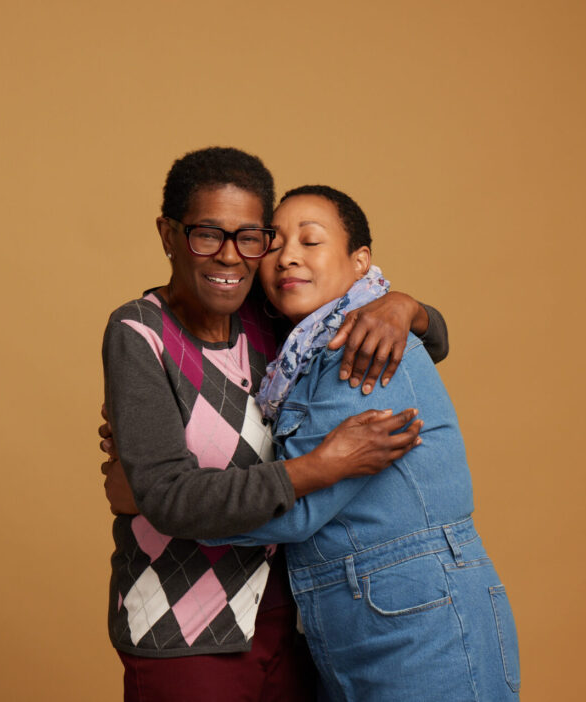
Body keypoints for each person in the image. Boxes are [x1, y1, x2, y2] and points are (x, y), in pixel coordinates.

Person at [101, 147, 450, 701]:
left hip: (294, 623)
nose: (231, 257)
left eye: (249, 237)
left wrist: (405, 307)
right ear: (168, 234)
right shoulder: (140, 333)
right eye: (207, 234)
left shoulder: (276, 322)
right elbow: (168, 496)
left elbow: (431, 341)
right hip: (182, 626)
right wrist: (320, 466)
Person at [201, 185, 521, 700]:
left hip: (419, 616)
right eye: (275, 243)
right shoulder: (297, 352)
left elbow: (299, 509)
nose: (288, 257)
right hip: (355, 615)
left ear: (359, 263)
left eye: (310, 241)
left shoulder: (363, 345)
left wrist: (163, 503)